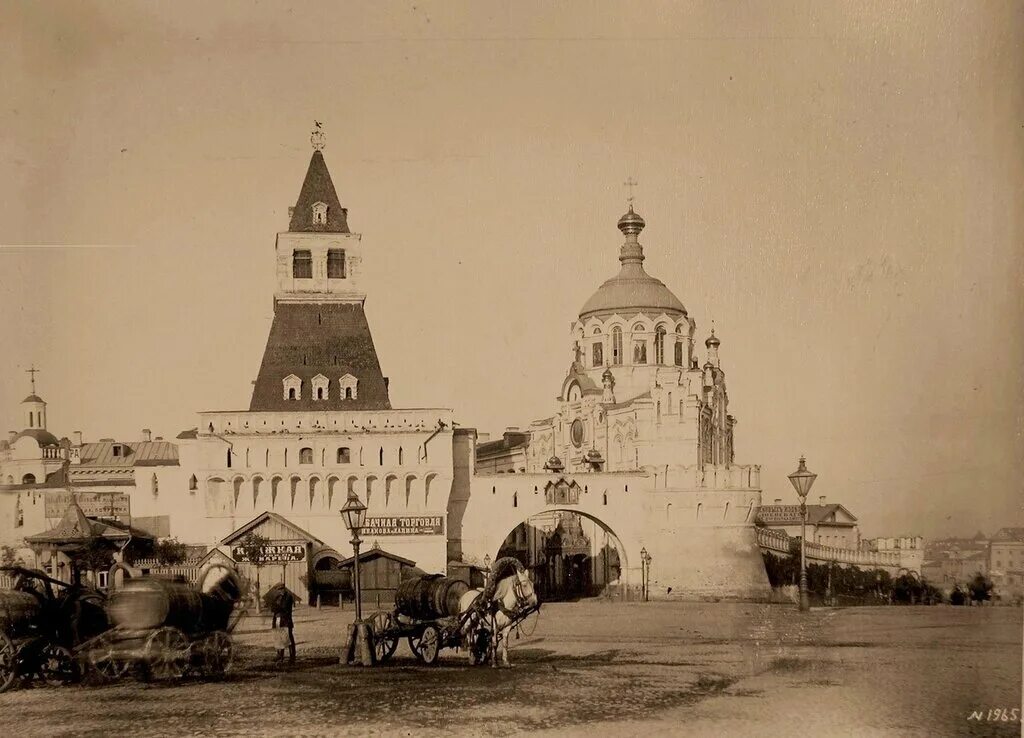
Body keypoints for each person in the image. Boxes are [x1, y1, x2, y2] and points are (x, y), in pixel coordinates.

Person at [269, 582, 297, 664]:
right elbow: (273, 608)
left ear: (283, 589)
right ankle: (280, 656)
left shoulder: (288, 596)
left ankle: (292, 657)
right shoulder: (278, 597)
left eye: (280, 589)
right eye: (278, 590)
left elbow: (283, 607)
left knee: (288, 639)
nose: (279, 591)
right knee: (279, 638)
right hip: (278, 620)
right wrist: (275, 606)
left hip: (285, 621)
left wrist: (276, 606)